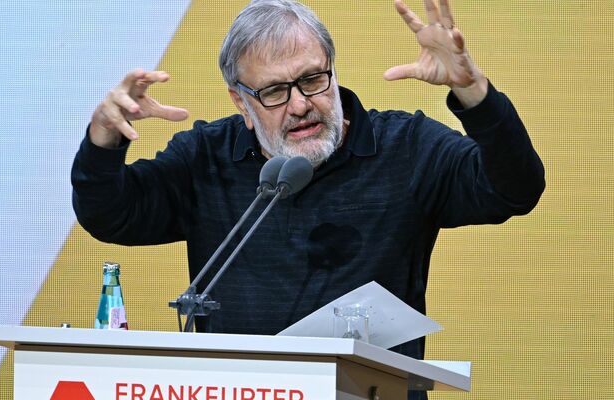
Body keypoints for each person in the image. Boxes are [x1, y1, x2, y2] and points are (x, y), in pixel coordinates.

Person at [72, 0, 544, 398]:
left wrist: (473, 91)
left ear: (333, 72)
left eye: (313, 79)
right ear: (241, 103)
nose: (300, 104)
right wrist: (104, 139)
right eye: (275, 92)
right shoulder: (205, 158)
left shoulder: (406, 148)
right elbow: (112, 215)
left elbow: (514, 189)